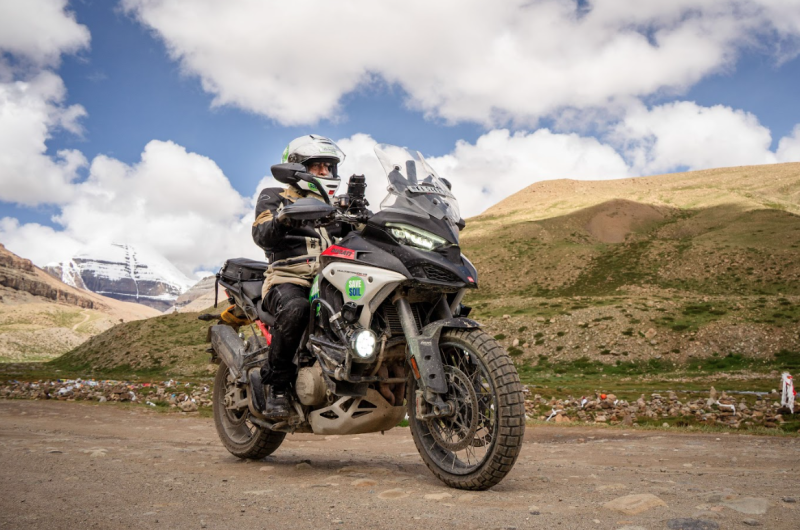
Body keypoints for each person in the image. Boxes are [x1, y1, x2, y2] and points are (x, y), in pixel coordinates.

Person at [252, 135, 347, 418]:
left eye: (328, 166)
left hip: (333, 279)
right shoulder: (275, 196)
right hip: (289, 277)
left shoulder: (338, 206)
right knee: (296, 308)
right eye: (317, 166)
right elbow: (262, 234)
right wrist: (284, 218)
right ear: (297, 168)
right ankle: (278, 386)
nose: (324, 172)